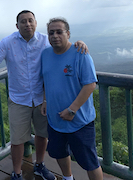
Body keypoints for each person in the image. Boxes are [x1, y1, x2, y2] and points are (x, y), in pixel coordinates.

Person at [0, 10, 88, 180]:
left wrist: (79, 44)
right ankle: (16, 173)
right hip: (18, 99)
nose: (27, 24)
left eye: (30, 20)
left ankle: (39, 165)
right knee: (17, 140)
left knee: (42, 135)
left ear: (36, 23)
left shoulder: (46, 40)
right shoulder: (8, 42)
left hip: (42, 98)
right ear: (17, 26)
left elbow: (63, 46)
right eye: (23, 21)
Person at [41, 17, 103, 180]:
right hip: (55, 119)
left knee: (90, 162)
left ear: (68, 34)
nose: (55, 36)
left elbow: (90, 84)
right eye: (51, 32)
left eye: (59, 32)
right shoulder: (45, 54)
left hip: (79, 120)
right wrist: (46, 101)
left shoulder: (80, 53)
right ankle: (68, 178)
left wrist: (72, 109)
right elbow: (46, 80)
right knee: (59, 152)